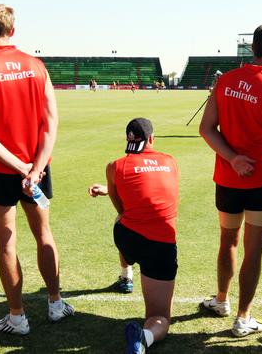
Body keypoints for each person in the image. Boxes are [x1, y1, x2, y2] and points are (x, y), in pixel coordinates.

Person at [0, 3, 73, 335]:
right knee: (44, 235)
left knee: (6, 244)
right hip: (36, 169)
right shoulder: (36, 65)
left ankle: (17, 317)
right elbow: (51, 121)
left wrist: (20, 166)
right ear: (13, 30)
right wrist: (35, 168)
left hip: (0, 170)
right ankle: (55, 303)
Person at [198, 24, 262, 337]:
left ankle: (222, 300)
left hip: (229, 178)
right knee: (253, 251)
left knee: (228, 240)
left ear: (252, 47)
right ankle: (243, 318)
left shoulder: (225, 81)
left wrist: (232, 158)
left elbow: (206, 129)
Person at [88, 118, 179, 354]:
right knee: (159, 317)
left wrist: (109, 189)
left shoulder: (115, 166)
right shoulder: (170, 162)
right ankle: (144, 337)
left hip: (128, 239)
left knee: (123, 220)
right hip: (161, 245)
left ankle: (126, 275)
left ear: (128, 140)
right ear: (151, 139)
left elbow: (122, 207)